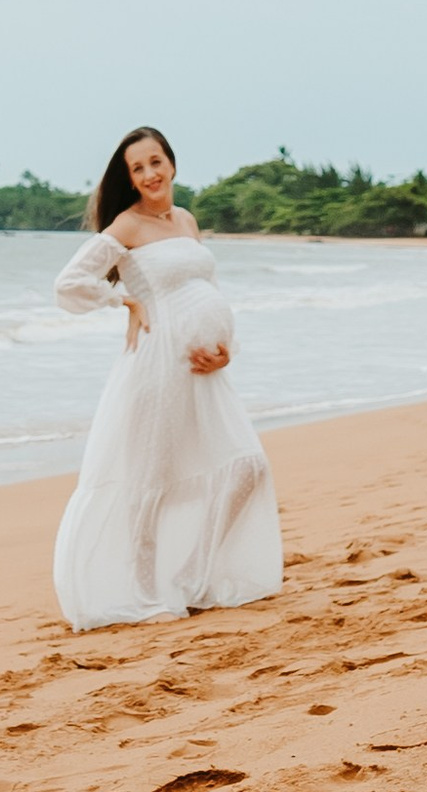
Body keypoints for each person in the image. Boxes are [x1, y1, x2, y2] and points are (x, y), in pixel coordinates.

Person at [52, 128, 282, 630]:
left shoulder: (186, 220)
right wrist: (126, 301)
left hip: (204, 370)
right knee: (151, 481)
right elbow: (69, 284)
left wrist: (226, 351)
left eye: (155, 161)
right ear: (130, 180)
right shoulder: (127, 225)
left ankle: (195, 576)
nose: (150, 174)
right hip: (157, 366)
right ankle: (144, 591)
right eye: (138, 168)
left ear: (172, 164)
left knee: (248, 467)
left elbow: (207, 287)